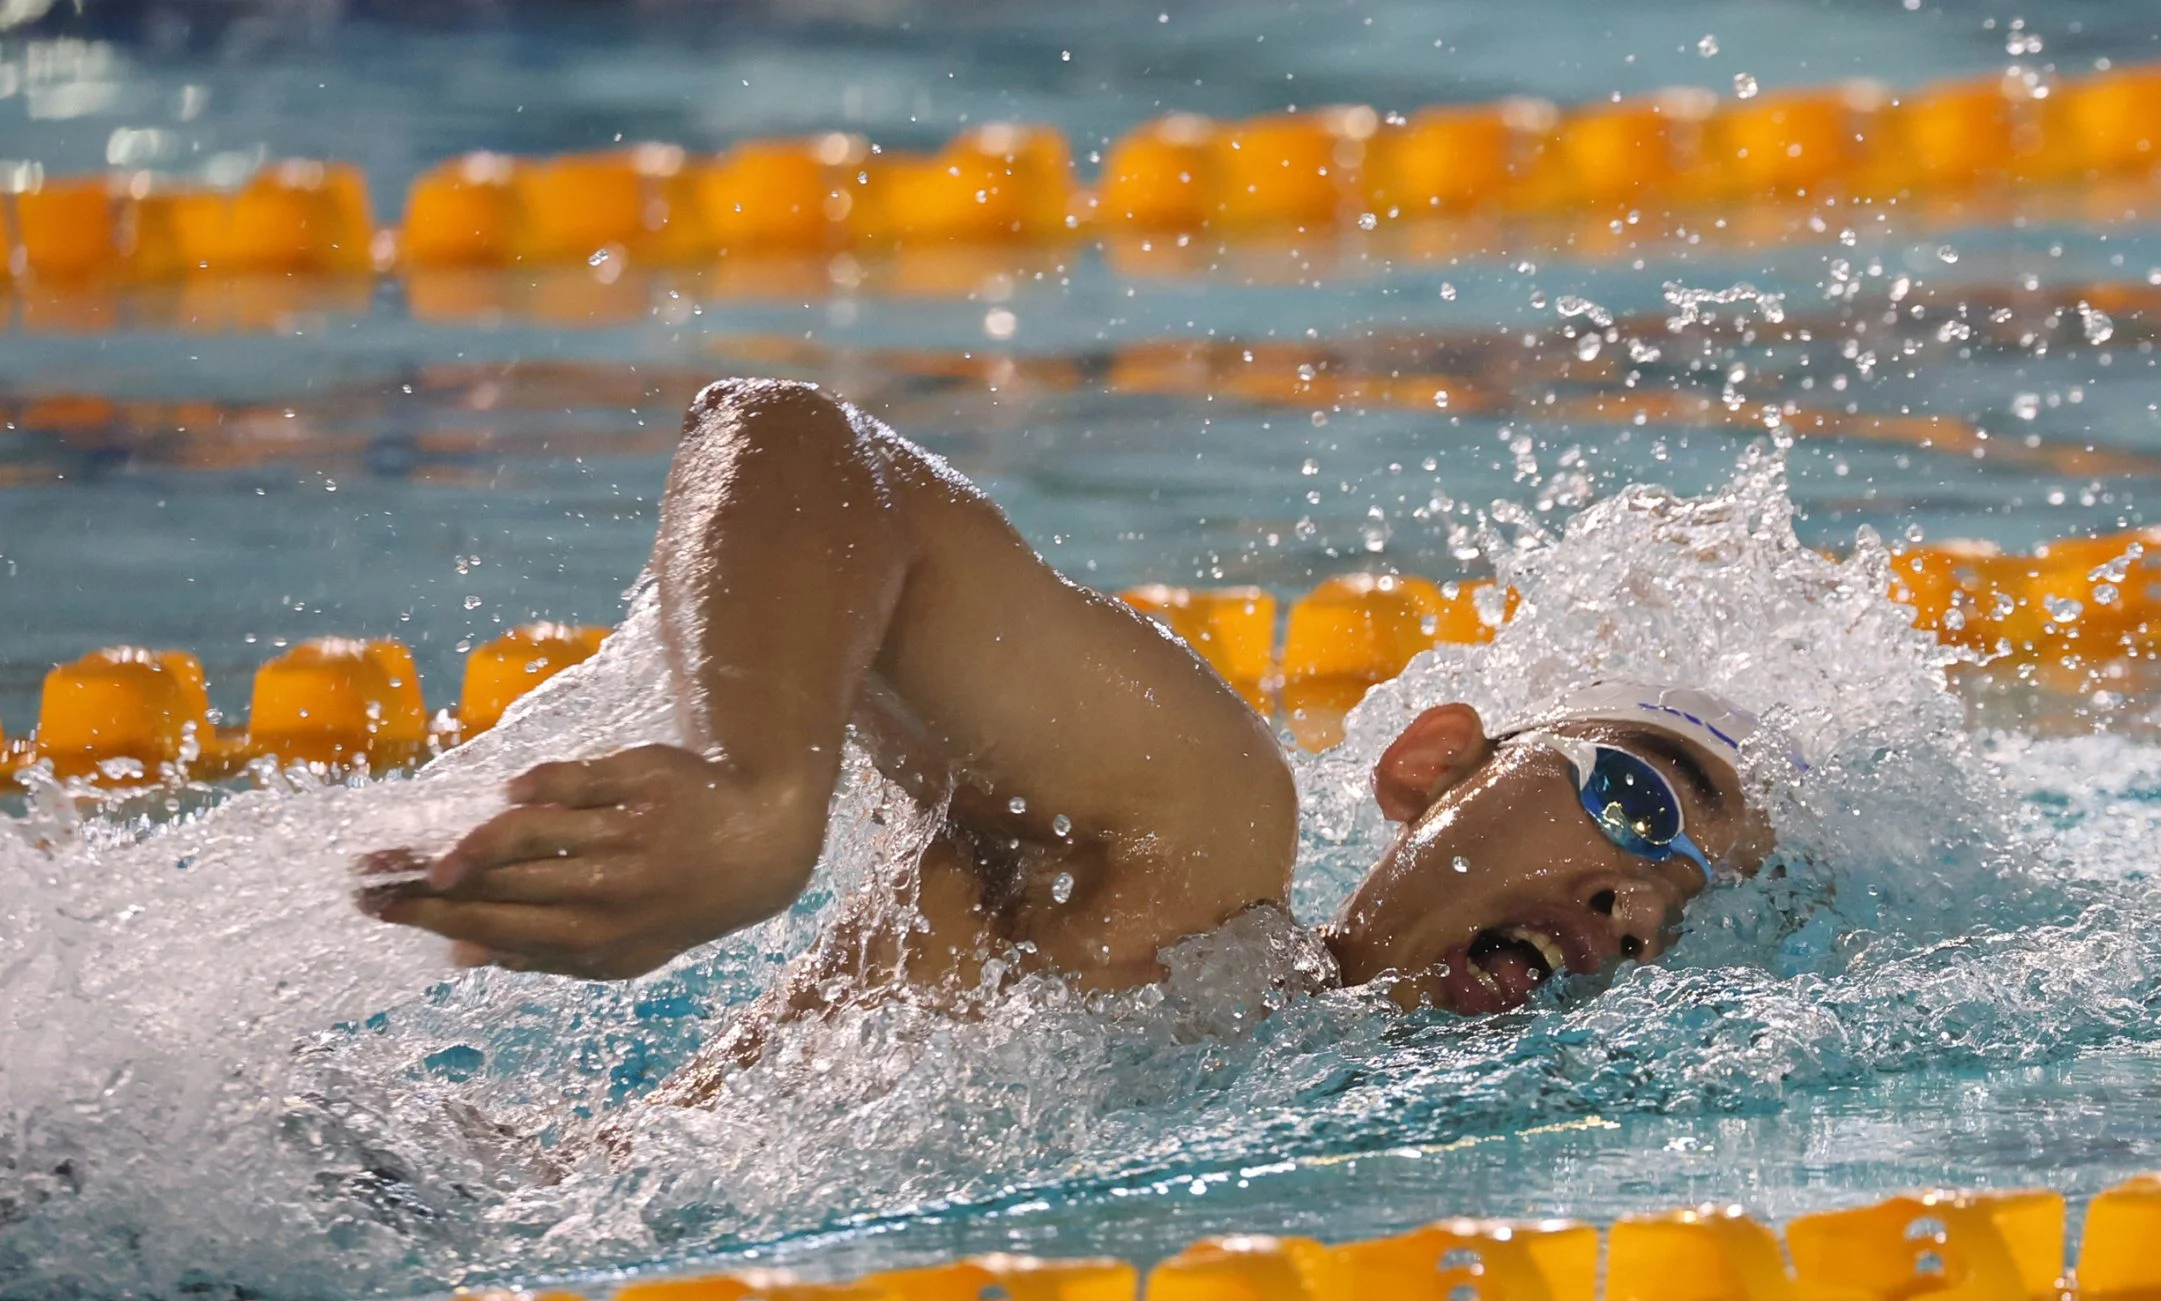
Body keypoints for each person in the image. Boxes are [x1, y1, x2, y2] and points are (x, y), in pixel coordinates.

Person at [366, 380, 1782, 1025]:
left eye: (1693, 906)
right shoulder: (1195, 856)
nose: (1641, 908)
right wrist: (757, 794)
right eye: (1640, 799)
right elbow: (790, 436)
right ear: (1432, 764)